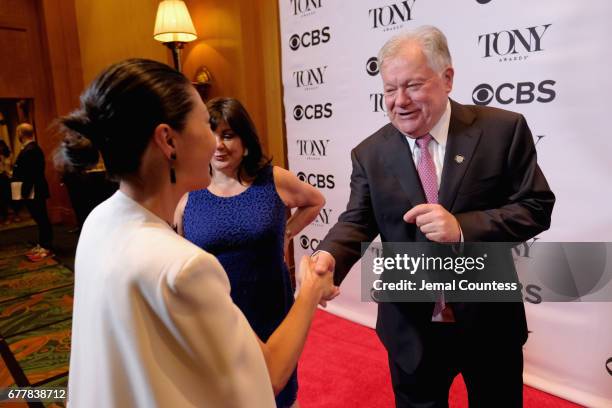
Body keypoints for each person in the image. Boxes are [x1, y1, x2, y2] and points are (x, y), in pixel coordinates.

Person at [58, 58, 334, 407]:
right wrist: (311, 289)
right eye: (206, 125)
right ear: (168, 140)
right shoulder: (186, 267)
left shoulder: (98, 221)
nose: (215, 143)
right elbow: (267, 375)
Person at [313, 26, 555, 407]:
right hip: (410, 327)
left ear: (447, 79)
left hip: (488, 323)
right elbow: (357, 220)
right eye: (389, 90)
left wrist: (463, 228)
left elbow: (536, 207)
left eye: (413, 85)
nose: (400, 101)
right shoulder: (369, 153)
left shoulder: (502, 131)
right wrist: (328, 257)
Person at [174, 97, 328, 408]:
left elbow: (315, 201)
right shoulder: (187, 190)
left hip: (269, 305)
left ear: (245, 140)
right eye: (212, 134)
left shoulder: (273, 179)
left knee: (277, 389)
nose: (219, 145)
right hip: (214, 312)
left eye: (228, 134)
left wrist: (286, 231)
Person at [12, 123, 53, 259]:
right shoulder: (30, 149)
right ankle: (43, 244)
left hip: (34, 190)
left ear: (20, 134)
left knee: (41, 218)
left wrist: (24, 193)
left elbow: (31, 175)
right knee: (40, 218)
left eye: (18, 132)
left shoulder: (31, 150)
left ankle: (46, 246)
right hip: (33, 190)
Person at [0, 140, 11, 224]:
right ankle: (4, 216)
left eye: (2, 146)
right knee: (1, 198)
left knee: (7, 196)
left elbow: (9, 166)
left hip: (6, 177)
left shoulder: (8, 155)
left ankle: (7, 215)